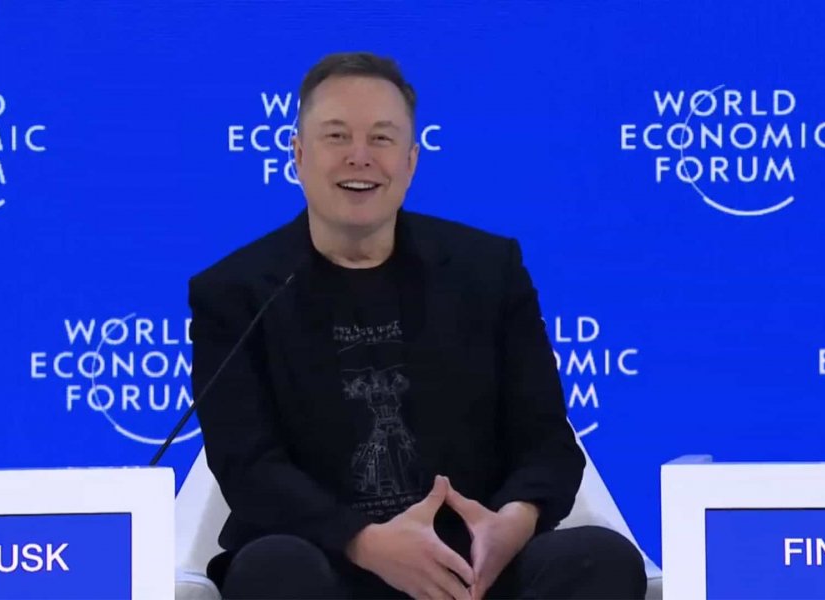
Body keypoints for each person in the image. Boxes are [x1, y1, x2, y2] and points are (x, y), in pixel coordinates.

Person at [188, 51, 647, 599]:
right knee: (273, 569)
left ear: (410, 162)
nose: (360, 156)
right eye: (337, 136)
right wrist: (365, 542)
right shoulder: (236, 292)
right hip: (327, 558)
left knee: (601, 559)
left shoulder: (487, 271)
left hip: (475, 563)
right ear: (298, 155)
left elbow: (546, 441)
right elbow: (248, 467)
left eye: (381, 138)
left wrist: (511, 525)